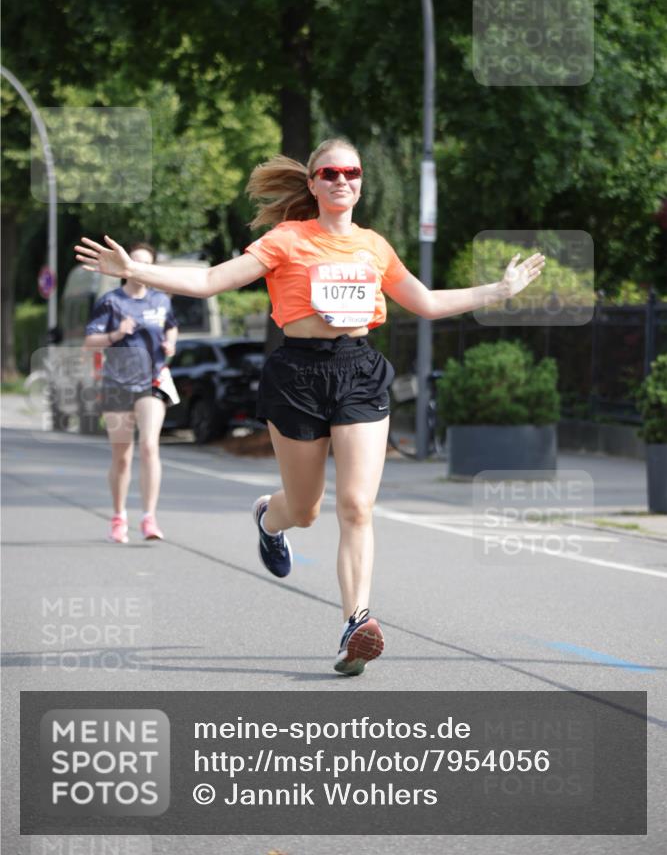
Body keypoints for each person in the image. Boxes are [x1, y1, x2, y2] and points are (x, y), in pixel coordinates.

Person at [75, 139, 545, 674]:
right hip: (297, 374)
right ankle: (268, 520)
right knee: (305, 509)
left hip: (359, 372)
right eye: (330, 173)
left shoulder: (374, 246)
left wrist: (499, 290)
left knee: (356, 506)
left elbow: (429, 302)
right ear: (314, 183)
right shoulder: (286, 239)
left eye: (351, 172)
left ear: (360, 181)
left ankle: (356, 623)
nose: (341, 180)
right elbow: (208, 282)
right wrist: (134, 273)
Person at [83, 241, 179, 544]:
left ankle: (149, 518)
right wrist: (116, 333)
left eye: (145, 264)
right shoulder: (110, 302)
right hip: (117, 383)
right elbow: (90, 342)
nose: (138, 268)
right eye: (134, 262)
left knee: (150, 445)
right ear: (125, 266)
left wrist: (171, 343)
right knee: (122, 455)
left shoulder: (161, 300)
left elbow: (171, 326)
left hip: (152, 381)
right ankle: (118, 515)